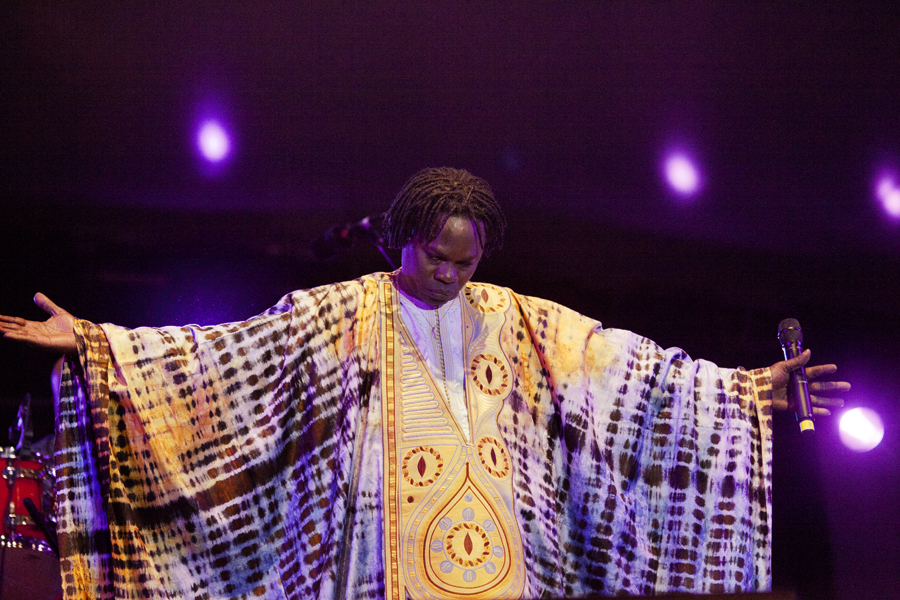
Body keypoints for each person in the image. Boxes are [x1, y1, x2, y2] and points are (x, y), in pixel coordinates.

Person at [0, 167, 847, 600]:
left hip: (505, 569)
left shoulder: (522, 320)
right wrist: (99, 343)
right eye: (434, 256)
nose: (448, 273)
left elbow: (632, 374)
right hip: (382, 564)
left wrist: (746, 392)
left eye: (465, 261)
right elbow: (227, 354)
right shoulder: (337, 313)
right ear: (402, 238)